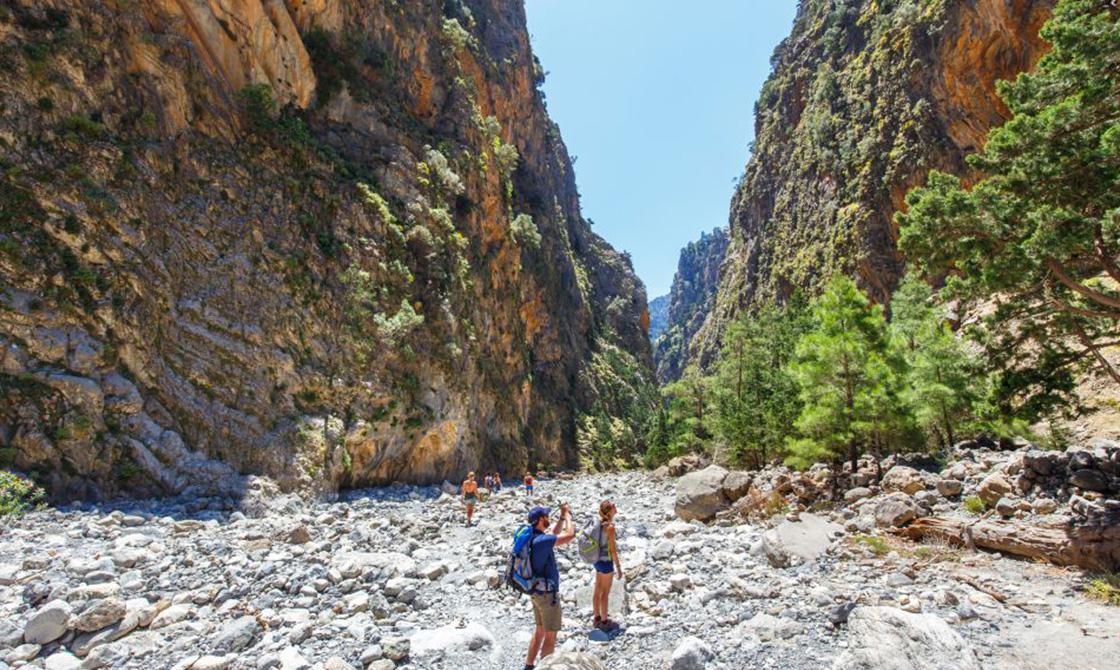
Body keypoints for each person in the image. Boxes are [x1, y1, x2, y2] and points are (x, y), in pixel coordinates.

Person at [524, 504, 575, 670]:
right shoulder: (542, 541)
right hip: (547, 595)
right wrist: (568, 515)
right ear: (540, 520)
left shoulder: (533, 538)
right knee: (551, 636)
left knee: (539, 631)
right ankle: (546, 668)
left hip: (536, 591)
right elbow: (570, 535)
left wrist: (560, 517)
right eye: (546, 517)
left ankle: (529, 666)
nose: (548, 518)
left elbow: (553, 534)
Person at [590, 500, 623, 631]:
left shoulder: (598, 523)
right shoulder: (610, 527)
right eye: (614, 506)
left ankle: (596, 617)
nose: (616, 507)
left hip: (596, 560)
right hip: (606, 562)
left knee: (597, 588)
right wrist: (619, 567)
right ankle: (604, 621)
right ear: (609, 511)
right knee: (605, 593)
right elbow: (613, 550)